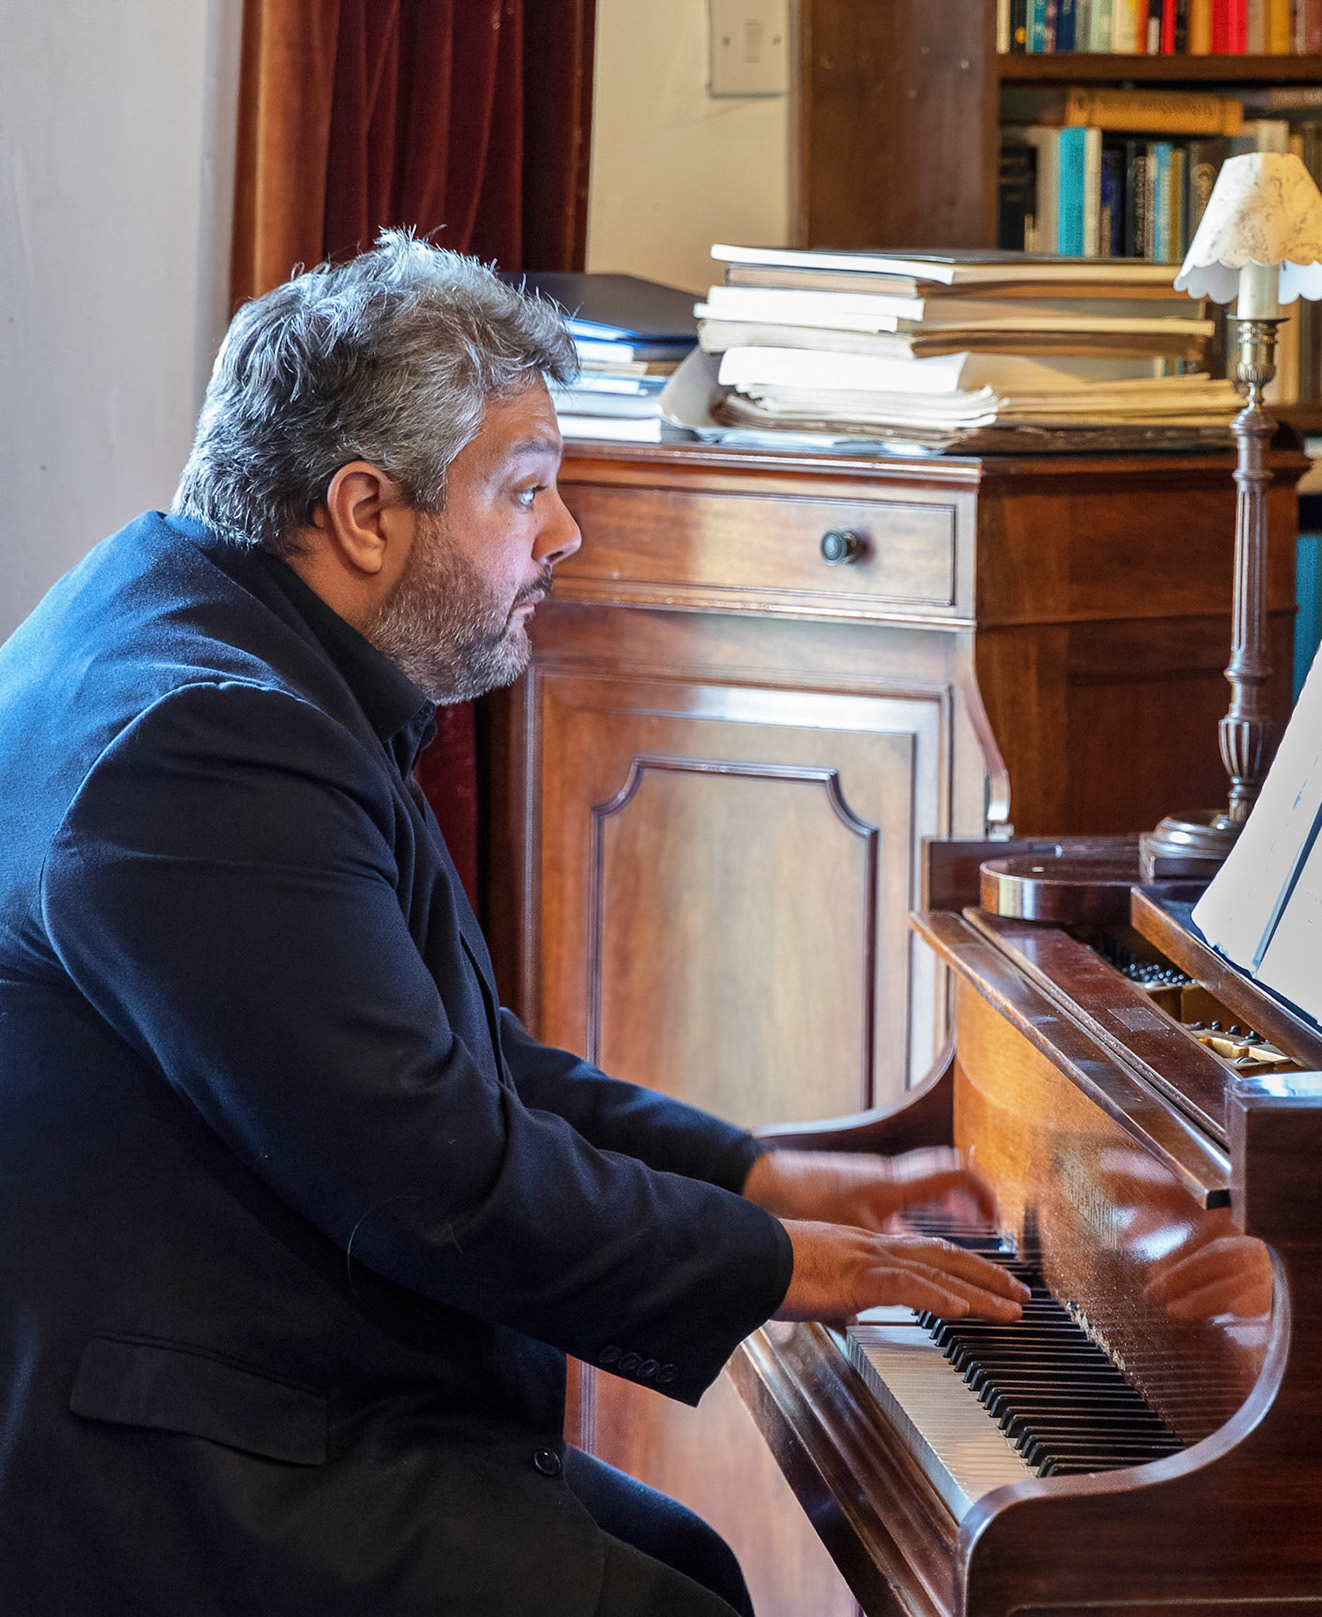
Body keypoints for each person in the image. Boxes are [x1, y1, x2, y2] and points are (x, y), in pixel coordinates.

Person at [0, 232, 1027, 1617]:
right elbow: (439, 1172)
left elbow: (463, 1063)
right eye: (524, 490)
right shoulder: (210, 742)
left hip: (240, 1372)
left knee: (688, 1568)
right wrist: (794, 1269)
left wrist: (763, 1178)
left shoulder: (208, 632)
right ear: (368, 513)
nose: (564, 535)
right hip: (168, 1461)